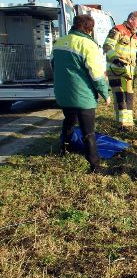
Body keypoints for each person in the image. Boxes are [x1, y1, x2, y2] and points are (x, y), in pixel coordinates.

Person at [52, 14, 111, 173]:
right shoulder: (87, 45)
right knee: (88, 132)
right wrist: (106, 93)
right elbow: (96, 75)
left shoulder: (59, 42)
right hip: (82, 96)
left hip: (63, 95)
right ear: (89, 29)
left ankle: (64, 149)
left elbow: (54, 66)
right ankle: (95, 165)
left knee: (69, 122)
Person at [103, 12, 137, 130]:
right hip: (116, 71)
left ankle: (128, 122)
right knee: (119, 97)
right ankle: (121, 124)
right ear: (131, 19)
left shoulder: (134, 36)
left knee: (128, 97)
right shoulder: (117, 30)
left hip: (128, 73)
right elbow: (107, 46)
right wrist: (115, 59)